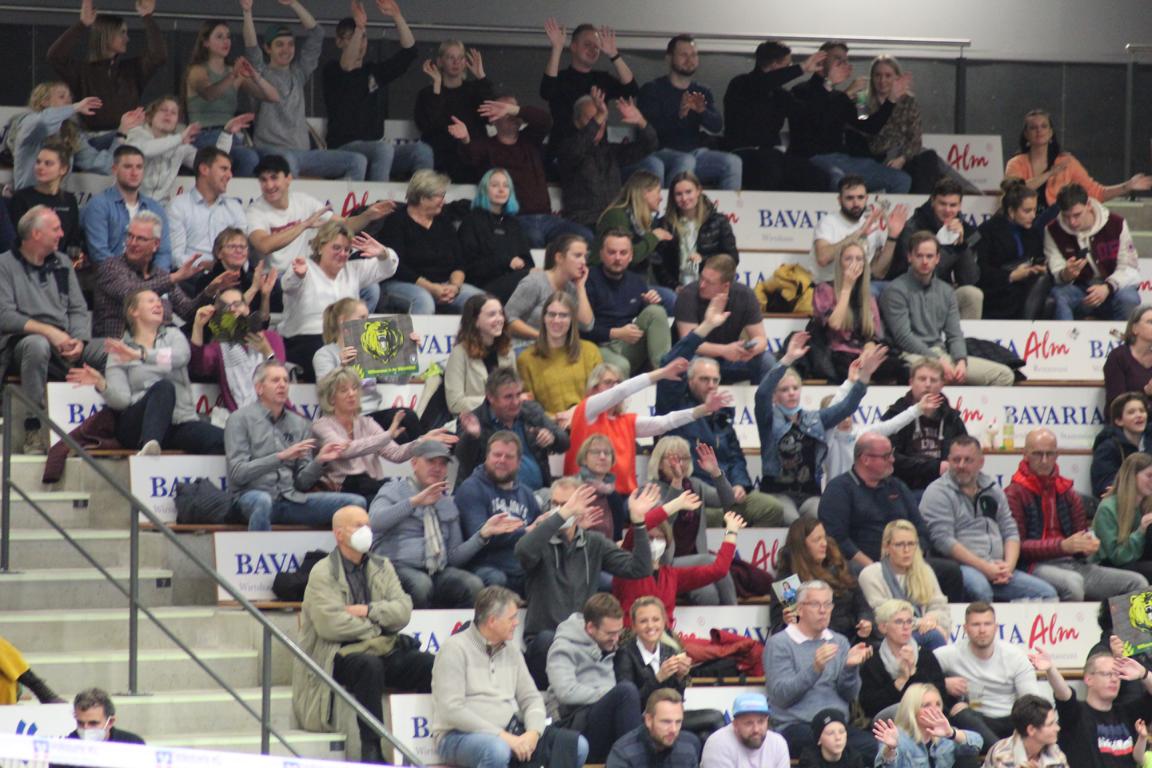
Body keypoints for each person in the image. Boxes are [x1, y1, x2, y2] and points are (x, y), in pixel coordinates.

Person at [292, 505, 435, 764]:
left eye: (368, 524)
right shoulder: (323, 572)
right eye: (358, 526)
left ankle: (425, 739)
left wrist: (368, 610)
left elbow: (403, 610)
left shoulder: (383, 565)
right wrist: (379, 625)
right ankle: (371, 747)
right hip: (338, 654)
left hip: (382, 648)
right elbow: (331, 625)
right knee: (368, 666)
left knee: (428, 663)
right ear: (339, 534)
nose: (366, 531)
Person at [656, 297, 785, 525]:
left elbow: (735, 457)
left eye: (715, 380)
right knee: (714, 517)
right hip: (694, 491)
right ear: (689, 379)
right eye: (704, 379)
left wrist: (739, 484)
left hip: (726, 489)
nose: (711, 385)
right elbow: (671, 361)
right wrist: (704, 329)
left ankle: (745, 558)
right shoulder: (674, 405)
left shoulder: (722, 415)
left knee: (772, 509)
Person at [431, 585, 590, 768]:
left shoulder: (512, 651)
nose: (516, 623)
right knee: (497, 750)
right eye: (512, 618)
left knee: (577, 746)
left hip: (512, 732)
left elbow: (531, 699)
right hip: (458, 736)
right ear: (492, 621)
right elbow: (452, 710)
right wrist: (503, 737)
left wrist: (533, 732)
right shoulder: (454, 649)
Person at [515, 481, 652, 688]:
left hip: (586, 643)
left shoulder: (594, 542)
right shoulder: (541, 541)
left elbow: (639, 569)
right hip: (545, 642)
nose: (560, 509)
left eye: (567, 504)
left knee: (623, 650)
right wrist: (563, 514)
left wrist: (639, 522)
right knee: (547, 640)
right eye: (555, 504)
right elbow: (523, 552)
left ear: (582, 509)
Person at [0, 206, 105, 454]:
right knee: (37, 345)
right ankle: (33, 428)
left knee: (114, 350)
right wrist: (50, 332)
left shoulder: (63, 262)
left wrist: (78, 339)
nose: (61, 234)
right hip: (21, 342)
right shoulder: (4, 264)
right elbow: (4, 316)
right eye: (55, 229)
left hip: (65, 340)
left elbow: (79, 308)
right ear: (36, 234)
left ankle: (112, 424)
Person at [71, 288, 225, 455]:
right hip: (137, 426)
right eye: (151, 301)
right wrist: (102, 384)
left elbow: (181, 356)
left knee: (221, 440)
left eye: (159, 301)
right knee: (164, 387)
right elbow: (122, 401)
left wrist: (141, 355)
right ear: (134, 311)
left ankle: (199, 479)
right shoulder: (119, 350)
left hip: (179, 421)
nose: (158, 304)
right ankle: (150, 444)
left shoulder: (173, 335)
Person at [368, 441, 520, 608]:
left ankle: (457, 632)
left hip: (437, 570)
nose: (437, 468)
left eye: (442, 463)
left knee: (472, 584)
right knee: (421, 584)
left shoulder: (447, 502)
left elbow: (453, 558)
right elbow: (374, 522)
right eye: (431, 461)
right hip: (395, 566)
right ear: (414, 463)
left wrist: (482, 534)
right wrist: (414, 502)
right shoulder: (393, 489)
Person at [819, 431, 965, 601]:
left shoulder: (897, 486)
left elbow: (920, 528)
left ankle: (942, 622)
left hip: (907, 560)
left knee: (950, 571)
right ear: (865, 459)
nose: (893, 460)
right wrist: (875, 568)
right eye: (886, 456)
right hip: (866, 562)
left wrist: (911, 559)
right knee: (860, 573)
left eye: (892, 454)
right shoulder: (839, 489)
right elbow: (839, 539)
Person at [1007, 427, 1148, 600]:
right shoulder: (1014, 493)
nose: (1044, 460)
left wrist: (1087, 546)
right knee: (1073, 584)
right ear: (1025, 454)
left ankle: (1119, 628)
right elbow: (1017, 547)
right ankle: (1066, 628)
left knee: (1137, 583)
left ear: (1057, 455)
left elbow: (1080, 538)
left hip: (1074, 564)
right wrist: (1062, 546)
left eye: (1050, 454)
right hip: (1033, 565)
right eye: (1038, 454)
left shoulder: (1067, 491)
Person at [755, 333, 884, 521]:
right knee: (793, 521)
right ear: (775, 396)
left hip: (810, 493)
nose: (791, 393)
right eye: (784, 390)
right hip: (778, 492)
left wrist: (864, 377)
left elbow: (846, 407)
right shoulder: (768, 419)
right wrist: (788, 359)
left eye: (795, 388)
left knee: (821, 519)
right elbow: (761, 394)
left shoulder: (814, 418)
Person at [224, 361, 366, 530]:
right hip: (249, 498)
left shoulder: (300, 424)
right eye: (275, 380)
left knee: (356, 503)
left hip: (290, 499)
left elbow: (301, 484)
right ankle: (258, 552)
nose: (282, 385)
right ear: (259, 388)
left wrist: (319, 462)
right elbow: (237, 474)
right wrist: (280, 457)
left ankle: (340, 555)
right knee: (262, 501)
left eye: (285, 380)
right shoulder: (239, 419)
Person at [920, 436, 1058, 602]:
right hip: (961, 567)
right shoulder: (937, 492)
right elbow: (944, 541)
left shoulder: (992, 488)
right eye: (956, 460)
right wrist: (985, 568)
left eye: (968, 460)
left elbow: (1010, 531)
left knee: (1047, 593)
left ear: (981, 462)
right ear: (948, 461)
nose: (961, 466)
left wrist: (1008, 567)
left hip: (998, 566)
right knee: (981, 591)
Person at [564, 356, 728, 495]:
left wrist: (704, 409)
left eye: (618, 382)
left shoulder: (626, 421)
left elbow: (665, 422)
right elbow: (620, 391)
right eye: (608, 382)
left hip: (624, 498)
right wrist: (661, 373)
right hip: (583, 494)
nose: (614, 386)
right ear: (594, 388)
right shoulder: (587, 411)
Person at [241, 0, 367, 180]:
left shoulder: (298, 73)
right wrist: (247, 12)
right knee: (288, 163)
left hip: (303, 153)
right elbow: (251, 46)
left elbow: (317, 33)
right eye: (279, 44)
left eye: (290, 44)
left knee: (357, 161)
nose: (286, 49)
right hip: (271, 152)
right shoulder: (260, 72)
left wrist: (294, 4)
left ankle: (342, 208)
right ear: (267, 48)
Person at [451, 93, 593, 248]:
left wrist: (513, 109)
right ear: (493, 120)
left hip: (548, 218)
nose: (511, 116)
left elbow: (545, 120)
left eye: (513, 112)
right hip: (515, 219)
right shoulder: (486, 147)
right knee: (534, 238)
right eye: (505, 113)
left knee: (585, 235)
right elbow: (469, 155)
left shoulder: (530, 139)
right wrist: (465, 139)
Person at [879, 232, 1015, 386]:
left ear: (937, 258)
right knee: (932, 375)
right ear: (909, 257)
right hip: (910, 355)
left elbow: (955, 334)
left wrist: (961, 361)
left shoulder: (946, 291)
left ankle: (971, 410)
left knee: (1004, 375)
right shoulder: (895, 290)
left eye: (930, 256)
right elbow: (904, 338)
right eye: (919, 256)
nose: (925, 261)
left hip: (942, 354)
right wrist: (938, 361)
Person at [763, 579, 877, 761]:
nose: (823, 610)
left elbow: (848, 696)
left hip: (837, 726)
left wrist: (849, 667)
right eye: (815, 604)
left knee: (873, 747)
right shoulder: (779, 643)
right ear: (799, 609)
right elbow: (781, 697)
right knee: (828, 745)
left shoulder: (839, 641)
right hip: (798, 725)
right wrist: (814, 668)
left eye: (827, 604)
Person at [322, 0, 431, 182]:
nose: (360, 42)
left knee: (421, 151)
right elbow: (347, 66)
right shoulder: (332, 70)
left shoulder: (373, 72)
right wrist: (359, 27)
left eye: (364, 37)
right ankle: (379, 202)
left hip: (375, 148)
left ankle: (422, 203)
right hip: (343, 149)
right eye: (351, 37)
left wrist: (397, 16)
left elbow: (410, 52)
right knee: (383, 149)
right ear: (339, 42)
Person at [787, 41, 910, 193]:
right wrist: (839, 89)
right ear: (821, 61)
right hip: (812, 158)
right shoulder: (801, 90)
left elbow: (869, 125)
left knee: (901, 179)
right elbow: (816, 121)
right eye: (838, 59)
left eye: (846, 60)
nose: (844, 64)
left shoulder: (840, 96)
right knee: (837, 179)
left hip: (843, 159)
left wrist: (890, 100)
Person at [312, 368, 452, 500]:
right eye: (344, 390)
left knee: (404, 497)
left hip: (373, 487)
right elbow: (345, 450)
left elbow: (395, 454)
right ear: (331, 398)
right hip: (344, 492)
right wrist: (387, 436)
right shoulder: (322, 425)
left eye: (355, 388)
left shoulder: (367, 423)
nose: (352, 393)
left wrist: (422, 440)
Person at [280, 224, 398, 381]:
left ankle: (387, 384)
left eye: (347, 250)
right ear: (320, 247)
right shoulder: (304, 267)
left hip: (344, 341)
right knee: (328, 350)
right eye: (336, 248)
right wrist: (299, 276)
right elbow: (288, 285)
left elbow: (388, 268)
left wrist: (383, 253)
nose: (343, 254)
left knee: (382, 342)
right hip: (305, 340)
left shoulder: (353, 270)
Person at [546, 594, 643, 763]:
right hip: (571, 723)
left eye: (619, 632)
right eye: (610, 633)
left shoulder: (613, 645)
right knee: (625, 692)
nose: (616, 638)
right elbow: (565, 692)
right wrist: (605, 694)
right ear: (590, 627)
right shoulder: (563, 647)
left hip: (602, 720)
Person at [637, 35, 742, 190]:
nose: (690, 60)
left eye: (693, 55)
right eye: (683, 55)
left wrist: (702, 111)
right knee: (685, 160)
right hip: (660, 153)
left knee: (733, 162)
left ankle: (727, 213)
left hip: (695, 153)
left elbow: (717, 125)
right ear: (669, 58)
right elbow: (650, 130)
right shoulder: (652, 89)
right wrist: (680, 114)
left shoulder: (701, 90)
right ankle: (672, 211)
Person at [92, 211, 219, 338]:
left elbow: (188, 312)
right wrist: (174, 277)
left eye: (141, 238)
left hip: (161, 347)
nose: (132, 243)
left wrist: (210, 290)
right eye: (130, 236)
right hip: (117, 346)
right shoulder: (110, 267)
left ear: (156, 244)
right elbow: (130, 293)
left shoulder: (160, 275)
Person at [722, 40, 829, 191]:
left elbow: (806, 113)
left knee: (817, 176)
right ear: (774, 64)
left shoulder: (779, 94)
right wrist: (802, 68)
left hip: (772, 154)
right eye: (786, 66)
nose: (788, 70)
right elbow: (762, 84)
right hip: (742, 154)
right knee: (770, 166)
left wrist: (827, 85)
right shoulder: (741, 84)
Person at [642, 438, 738, 605]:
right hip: (663, 563)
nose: (680, 463)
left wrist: (716, 472)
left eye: (685, 458)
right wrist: (677, 482)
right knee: (712, 560)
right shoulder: (649, 490)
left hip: (693, 562)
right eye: (673, 458)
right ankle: (735, 612)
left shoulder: (695, 485)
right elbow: (663, 520)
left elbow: (729, 502)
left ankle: (724, 626)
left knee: (708, 594)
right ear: (659, 463)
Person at [374, 169, 485, 314]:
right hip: (403, 283)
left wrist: (455, 287)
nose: (443, 201)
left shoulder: (443, 221)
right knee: (423, 301)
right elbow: (397, 266)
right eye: (439, 196)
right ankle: (415, 337)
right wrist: (431, 288)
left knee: (483, 302)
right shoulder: (396, 221)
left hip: (444, 284)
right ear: (422, 197)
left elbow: (459, 261)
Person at [933, 603, 1043, 747]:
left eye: (987, 624)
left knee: (1038, 718)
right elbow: (921, 673)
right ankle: (1003, 755)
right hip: (975, 720)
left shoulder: (1014, 656)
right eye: (976, 624)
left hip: (1011, 719)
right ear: (965, 629)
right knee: (961, 714)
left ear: (996, 627)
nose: (982, 630)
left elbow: (1031, 700)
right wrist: (943, 683)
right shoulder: (950, 653)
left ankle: (1001, 754)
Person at [47, 0, 166, 132]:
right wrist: (82, 24)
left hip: (130, 137)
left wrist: (147, 17)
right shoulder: (83, 72)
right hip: (93, 141)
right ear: (106, 35)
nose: (127, 39)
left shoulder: (132, 69)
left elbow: (159, 56)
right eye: (122, 32)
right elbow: (55, 56)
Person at [183, 15, 275, 178]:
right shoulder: (197, 71)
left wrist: (255, 76)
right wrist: (233, 76)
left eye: (228, 37)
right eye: (219, 37)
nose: (226, 41)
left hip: (231, 136)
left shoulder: (234, 72)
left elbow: (272, 97)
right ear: (206, 43)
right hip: (203, 135)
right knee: (248, 158)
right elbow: (210, 94)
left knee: (269, 157)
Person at [1004, 108, 1151, 209]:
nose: (1039, 130)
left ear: (1051, 133)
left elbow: (1097, 193)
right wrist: (1049, 174)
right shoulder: (1016, 163)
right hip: (1022, 225)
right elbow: (1015, 191)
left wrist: (1128, 186)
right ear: (1026, 134)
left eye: (1044, 126)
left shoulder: (1067, 162)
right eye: (1033, 127)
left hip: (1057, 227)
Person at [1031, 646, 1152, 768]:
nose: (1114, 679)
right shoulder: (1076, 713)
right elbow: (1064, 693)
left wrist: (1144, 673)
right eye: (1107, 674)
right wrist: (1051, 669)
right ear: (1089, 679)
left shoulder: (1127, 713)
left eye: (1117, 674)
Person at [555, 88, 658, 230]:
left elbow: (649, 145)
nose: (599, 124)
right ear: (577, 122)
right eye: (593, 119)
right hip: (583, 222)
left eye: (603, 119)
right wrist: (600, 114)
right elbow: (576, 149)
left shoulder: (611, 151)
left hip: (614, 220)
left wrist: (641, 121)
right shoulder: (567, 148)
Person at [614, 505, 744, 617]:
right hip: (630, 638)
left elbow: (719, 570)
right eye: (649, 538)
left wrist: (731, 530)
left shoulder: (672, 575)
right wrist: (677, 504)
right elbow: (636, 531)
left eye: (659, 538)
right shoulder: (625, 570)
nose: (654, 543)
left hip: (665, 639)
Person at [454, 431, 542, 596]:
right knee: (497, 578)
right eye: (497, 455)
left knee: (551, 572)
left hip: (519, 565)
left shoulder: (526, 493)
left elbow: (537, 529)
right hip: (484, 565)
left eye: (509, 457)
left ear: (518, 462)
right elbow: (479, 533)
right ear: (487, 457)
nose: (502, 460)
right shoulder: (471, 488)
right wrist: (525, 532)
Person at [854, 56, 957, 196]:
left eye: (888, 75)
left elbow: (915, 138)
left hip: (905, 154)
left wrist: (902, 158)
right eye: (877, 75)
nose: (882, 80)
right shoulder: (861, 100)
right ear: (872, 77)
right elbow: (864, 131)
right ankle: (967, 190)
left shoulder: (908, 101)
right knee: (935, 161)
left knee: (928, 158)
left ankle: (928, 199)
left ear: (897, 78)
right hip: (878, 156)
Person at [455, 367, 569, 493]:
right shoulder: (474, 421)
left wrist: (552, 438)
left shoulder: (531, 411)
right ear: (491, 397)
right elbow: (463, 459)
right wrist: (472, 437)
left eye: (518, 395)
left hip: (538, 494)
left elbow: (565, 442)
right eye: (508, 397)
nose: (515, 402)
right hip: (489, 497)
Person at [6, 82, 135, 192]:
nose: (68, 101)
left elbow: (104, 165)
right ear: (44, 102)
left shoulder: (71, 133)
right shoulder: (27, 123)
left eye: (70, 98)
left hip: (57, 201)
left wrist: (122, 131)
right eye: (62, 97)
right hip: (27, 201)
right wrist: (75, 107)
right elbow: (43, 122)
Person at [813, 240, 909, 384]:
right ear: (840, 263)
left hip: (863, 355)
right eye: (848, 259)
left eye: (859, 259)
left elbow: (873, 335)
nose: (854, 263)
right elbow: (834, 324)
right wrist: (846, 287)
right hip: (837, 355)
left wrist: (869, 348)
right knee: (849, 369)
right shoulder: (825, 290)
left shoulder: (868, 297)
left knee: (903, 369)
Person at [1044, 183, 1141, 322]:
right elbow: (1056, 270)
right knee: (1058, 296)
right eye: (1066, 216)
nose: (1072, 222)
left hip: (1114, 287)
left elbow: (1129, 267)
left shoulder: (1116, 223)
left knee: (1129, 299)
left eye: (1077, 215)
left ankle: (1125, 341)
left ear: (1088, 205)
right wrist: (1066, 274)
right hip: (1080, 289)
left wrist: (1108, 287)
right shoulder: (1053, 230)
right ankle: (1064, 342)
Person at [125, 95, 247, 203]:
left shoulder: (180, 145)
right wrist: (179, 138)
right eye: (163, 110)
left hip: (160, 207)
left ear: (177, 121)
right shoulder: (137, 133)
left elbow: (211, 163)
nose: (168, 114)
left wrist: (227, 133)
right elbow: (144, 150)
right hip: (129, 202)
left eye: (173, 113)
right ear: (151, 116)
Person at [672, 253, 772, 384]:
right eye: (702, 278)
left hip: (730, 358)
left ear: (726, 286)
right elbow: (689, 344)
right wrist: (725, 350)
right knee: (690, 361)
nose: (702, 285)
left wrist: (750, 350)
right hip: (698, 357)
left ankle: (762, 403)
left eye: (709, 282)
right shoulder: (688, 294)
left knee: (767, 361)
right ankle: (694, 404)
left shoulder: (745, 295)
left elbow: (761, 339)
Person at [584, 229, 671, 376]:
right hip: (598, 345)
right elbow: (581, 330)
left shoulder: (636, 281)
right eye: (611, 252)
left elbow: (652, 318)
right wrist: (616, 333)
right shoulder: (587, 280)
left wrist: (653, 302)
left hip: (628, 343)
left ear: (630, 256)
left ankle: (664, 373)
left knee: (656, 312)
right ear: (601, 254)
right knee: (621, 366)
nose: (617, 258)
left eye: (623, 253)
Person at [541, 20, 638, 152]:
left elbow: (631, 90)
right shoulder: (561, 78)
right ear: (574, 47)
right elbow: (546, 91)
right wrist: (557, 48)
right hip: (564, 151)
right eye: (587, 45)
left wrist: (613, 54)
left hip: (597, 152)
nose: (593, 50)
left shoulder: (602, 79)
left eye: (597, 47)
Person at [892, 178, 983, 319]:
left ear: (960, 206)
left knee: (973, 294)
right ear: (932, 201)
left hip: (943, 293)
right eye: (942, 204)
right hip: (914, 293)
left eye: (953, 205)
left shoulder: (963, 228)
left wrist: (961, 244)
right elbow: (921, 273)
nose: (948, 210)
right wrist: (950, 248)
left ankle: (966, 341)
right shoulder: (914, 228)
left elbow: (970, 278)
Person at [774, 519, 875, 645]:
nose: (824, 544)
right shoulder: (787, 582)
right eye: (817, 540)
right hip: (814, 646)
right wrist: (787, 622)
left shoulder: (840, 567)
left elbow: (862, 604)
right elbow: (787, 624)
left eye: (824, 537)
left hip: (852, 640)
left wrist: (865, 620)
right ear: (801, 546)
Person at [879, 359, 970, 492]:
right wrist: (935, 467)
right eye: (922, 379)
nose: (928, 385)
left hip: (945, 489)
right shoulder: (895, 415)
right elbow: (889, 458)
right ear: (911, 382)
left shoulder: (952, 418)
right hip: (903, 489)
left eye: (933, 380)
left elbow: (966, 453)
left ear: (942, 384)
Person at [858, 523, 950, 651]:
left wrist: (931, 618)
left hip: (923, 631)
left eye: (911, 544)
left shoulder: (925, 570)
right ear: (887, 546)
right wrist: (922, 624)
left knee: (937, 636)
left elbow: (940, 606)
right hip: (886, 639)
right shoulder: (871, 574)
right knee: (934, 636)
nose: (906, 550)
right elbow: (883, 615)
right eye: (900, 545)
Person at [413, 39, 494, 182]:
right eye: (450, 57)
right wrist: (437, 87)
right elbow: (428, 125)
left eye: (460, 58)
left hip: (471, 162)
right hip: (439, 161)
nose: (456, 62)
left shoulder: (474, 91)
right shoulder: (426, 94)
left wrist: (481, 77)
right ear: (440, 61)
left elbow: (491, 116)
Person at [189, 285, 281, 411]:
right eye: (226, 307)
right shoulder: (219, 348)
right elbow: (198, 366)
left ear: (247, 308)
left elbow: (281, 378)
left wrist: (267, 352)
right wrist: (198, 326)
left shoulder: (271, 338)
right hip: (241, 418)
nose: (232, 309)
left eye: (237, 304)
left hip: (275, 414)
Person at [81, 145, 173, 269]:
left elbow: (164, 253)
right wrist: (129, 281)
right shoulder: (98, 205)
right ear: (114, 169)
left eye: (139, 167)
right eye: (128, 167)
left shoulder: (155, 208)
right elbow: (99, 254)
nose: (134, 173)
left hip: (149, 279)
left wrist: (155, 280)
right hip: (111, 279)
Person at [860, 602, 954, 721]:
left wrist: (913, 671)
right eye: (899, 622)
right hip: (889, 725)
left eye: (909, 622)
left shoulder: (925, 656)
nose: (905, 627)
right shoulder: (873, 661)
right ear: (883, 627)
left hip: (930, 720)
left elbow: (940, 696)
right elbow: (870, 706)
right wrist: (901, 680)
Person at [517, 292, 602, 421]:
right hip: (551, 428)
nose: (556, 320)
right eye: (551, 314)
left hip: (587, 421)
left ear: (572, 320)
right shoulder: (526, 359)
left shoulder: (591, 351)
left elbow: (601, 396)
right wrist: (558, 418)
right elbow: (529, 407)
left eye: (563, 315)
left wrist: (575, 415)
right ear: (544, 318)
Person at [595, 171, 676, 305]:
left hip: (635, 282)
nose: (661, 198)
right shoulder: (617, 216)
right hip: (611, 284)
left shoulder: (643, 220)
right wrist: (654, 237)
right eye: (658, 192)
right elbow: (625, 257)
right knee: (670, 299)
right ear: (645, 193)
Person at [810, 176, 907, 287]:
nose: (856, 203)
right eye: (850, 198)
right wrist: (858, 234)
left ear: (866, 198)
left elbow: (878, 272)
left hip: (860, 287)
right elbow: (823, 258)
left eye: (860, 197)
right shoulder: (828, 222)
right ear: (839, 200)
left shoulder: (872, 225)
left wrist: (892, 237)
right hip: (828, 286)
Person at [975, 179, 1050, 320]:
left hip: (1026, 287)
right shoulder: (988, 231)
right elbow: (981, 270)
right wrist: (1011, 276)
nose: (1033, 216)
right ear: (1011, 211)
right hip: (997, 290)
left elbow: (1038, 257)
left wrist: (1038, 268)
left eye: (1035, 210)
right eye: (1027, 211)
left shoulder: (1033, 233)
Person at [458, 169, 534, 303]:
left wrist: (520, 265)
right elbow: (469, 266)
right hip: (483, 285)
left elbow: (528, 261)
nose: (501, 190)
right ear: (484, 190)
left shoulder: (513, 223)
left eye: (506, 186)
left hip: (515, 281)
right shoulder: (472, 221)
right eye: (495, 185)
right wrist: (506, 262)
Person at [653, 171, 738, 291]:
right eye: (678, 194)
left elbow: (732, 258)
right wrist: (675, 287)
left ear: (698, 191)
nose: (684, 198)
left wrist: (704, 260)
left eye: (688, 192)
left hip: (711, 287)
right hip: (677, 289)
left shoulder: (718, 221)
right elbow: (659, 264)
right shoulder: (665, 224)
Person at [166, 147, 248, 269]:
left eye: (230, 170)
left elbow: (243, 253)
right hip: (191, 277)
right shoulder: (178, 206)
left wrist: (222, 268)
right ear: (204, 169)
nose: (230, 175)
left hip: (229, 273)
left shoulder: (235, 208)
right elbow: (175, 256)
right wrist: (204, 266)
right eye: (224, 169)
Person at [505, 234, 594, 341]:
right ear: (559, 258)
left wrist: (580, 287)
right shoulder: (535, 282)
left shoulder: (572, 288)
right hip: (524, 346)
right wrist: (542, 337)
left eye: (585, 256)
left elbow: (586, 326)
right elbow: (507, 319)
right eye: (577, 256)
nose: (583, 262)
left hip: (556, 347)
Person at [871, 683, 981, 768]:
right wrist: (890, 749)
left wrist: (952, 733)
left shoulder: (945, 734)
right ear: (912, 710)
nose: (935, 710)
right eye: (926, 705)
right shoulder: (895, 737)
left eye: (938, 704)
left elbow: (977, 744)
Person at [8, 145, 85, 261]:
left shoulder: (69, 200)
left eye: (48, 163)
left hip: (60, 263)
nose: (40, 167)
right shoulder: (21, 198)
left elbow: (73, 240)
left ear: (63, 169)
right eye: (38, 162)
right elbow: (16, 240)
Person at [444, 294, 515, 416]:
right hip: (474, 423)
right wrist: (494, 402)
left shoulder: (508, 352)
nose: (499, 319)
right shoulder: (460, 353)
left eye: (501, 313)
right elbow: (454, 403)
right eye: (492, 314)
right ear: (475, 321)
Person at [1093, 452, 1152, 582]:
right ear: (1132, 477)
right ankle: (1118, 603)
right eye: (1149, 476)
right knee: (1142, 579)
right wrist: (1141, 530)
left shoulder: (1147, 504)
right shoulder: (1108, 508)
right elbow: (1116, 557)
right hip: (1109, 567)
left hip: (1137, 562)